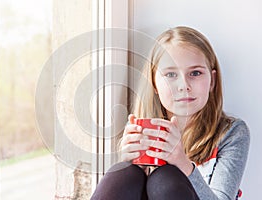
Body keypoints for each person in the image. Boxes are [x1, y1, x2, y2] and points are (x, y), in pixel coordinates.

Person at [91, 26, 250, 200]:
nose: (183, 85)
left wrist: (182, 163)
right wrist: (130, 163)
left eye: (195, 73)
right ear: (154, 83)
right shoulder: (141, 131)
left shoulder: (232, 133)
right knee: (123, 174)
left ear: (212, 81)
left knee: (165, 178)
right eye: (171, 74)